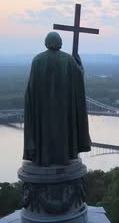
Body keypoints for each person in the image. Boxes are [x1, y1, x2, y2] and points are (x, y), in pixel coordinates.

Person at [23, 32, 91, 166]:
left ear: (46, 43)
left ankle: (45, 158)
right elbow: (78, 78)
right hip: (64, 108)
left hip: (43, 109)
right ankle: (64, 156)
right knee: (63, 130)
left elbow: (31, 88)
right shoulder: (69, 59)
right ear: (60, 43)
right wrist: (80, 66)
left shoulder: (37, 60)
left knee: (45, 129)